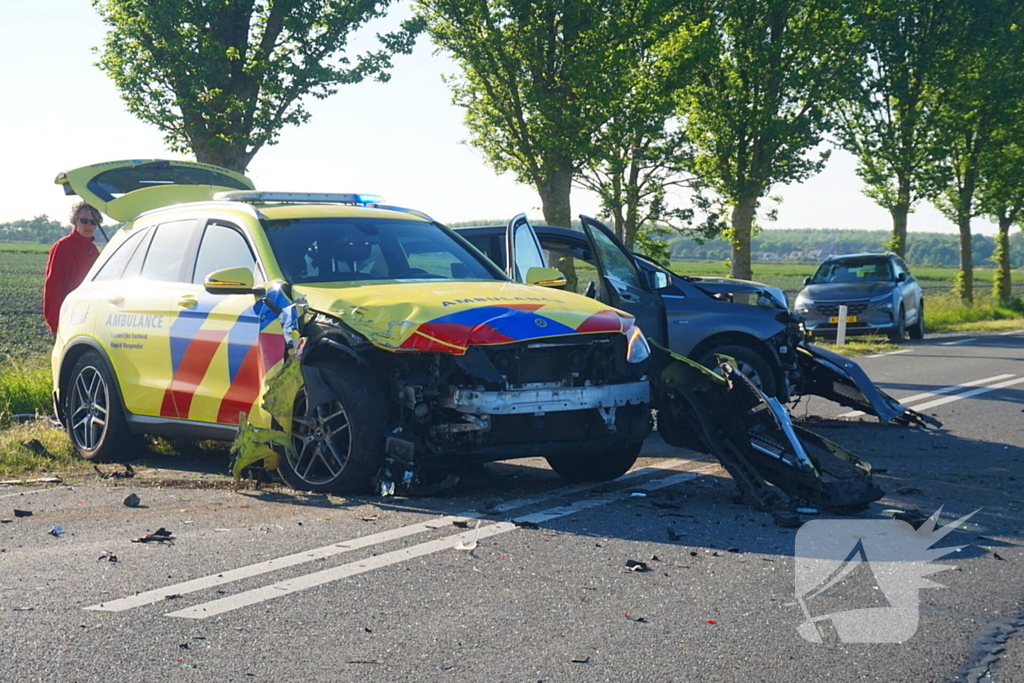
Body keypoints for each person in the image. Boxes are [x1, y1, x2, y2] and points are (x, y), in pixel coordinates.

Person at [43, 202, 102, 335]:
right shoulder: (62, 247)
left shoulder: (92, 249)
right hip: (68, 316)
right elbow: (53, 286)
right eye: (84, 220)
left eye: (93, 222)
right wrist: (55, 323)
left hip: (88, 317)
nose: (88, 225)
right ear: (75, 221)